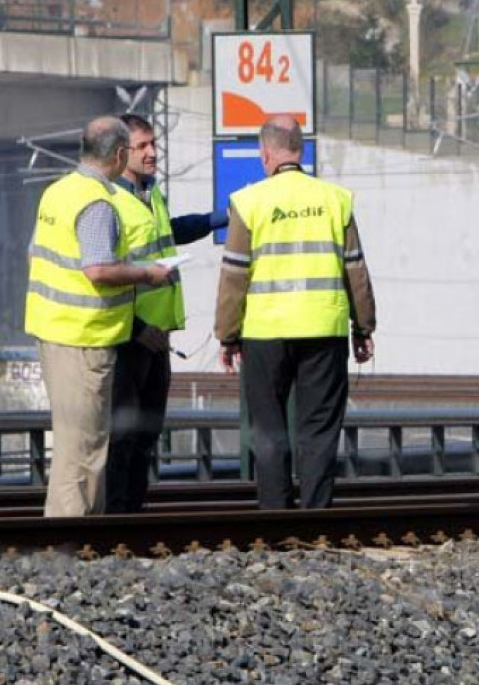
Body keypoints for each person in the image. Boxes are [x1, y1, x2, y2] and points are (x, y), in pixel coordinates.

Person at [214, 115, 376, 510]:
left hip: (265, 334)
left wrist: (227, 335)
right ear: (300, 150)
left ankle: (275, 516)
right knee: (319, 430)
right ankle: (315, 517)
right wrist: (364, 326)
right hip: (324, 328)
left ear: (265, 154)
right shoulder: (334, 199)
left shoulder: (249, 202)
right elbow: (354, 267)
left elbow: (235, 275)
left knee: (268, 429)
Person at [24, 116, 172, 517]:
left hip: (53, 331)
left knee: (72, 445)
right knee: (86, 449)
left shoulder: (58, 192)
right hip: (84, 337)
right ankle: (77, 539)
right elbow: (98, 269)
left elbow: (36, 254)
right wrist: (148, 274)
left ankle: (68, 533)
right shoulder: (97, 202)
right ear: (120, 154)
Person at [105, 113, 228, 514]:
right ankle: (115, 519)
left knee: (145, 432)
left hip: (157, 338)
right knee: (120, 435)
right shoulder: (110, 202)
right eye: (142, 146)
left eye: (153, 144)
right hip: (127, 337)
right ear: (121, 152)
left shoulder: (149, 193)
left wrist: (216, 219)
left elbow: (168, 234)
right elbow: (100, 276)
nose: (152, 152)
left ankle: (133, 516)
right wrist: (137, 328)